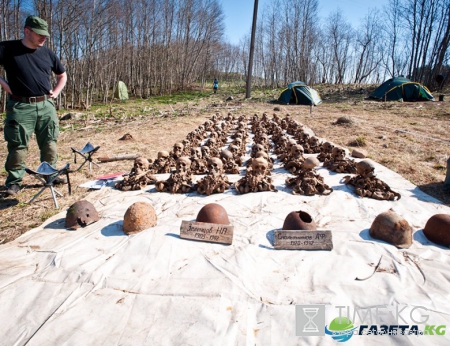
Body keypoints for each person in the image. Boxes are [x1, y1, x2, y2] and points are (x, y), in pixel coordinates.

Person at [0, 15, 67, 196]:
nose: (43, 38)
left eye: (45, 35)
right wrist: (5, 86)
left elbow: (63, 75)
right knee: (18, 146)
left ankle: (50, 175)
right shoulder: (7, 48)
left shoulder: (47, 53)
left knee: (50, 143)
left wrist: (55, 92)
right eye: (39, 34)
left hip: (46, 105)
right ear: (27, 31)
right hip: (20, 106)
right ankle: (14, 182)